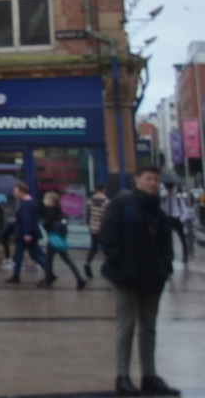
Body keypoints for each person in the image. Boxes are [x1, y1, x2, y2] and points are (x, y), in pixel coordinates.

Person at [100, 166, 179, 397]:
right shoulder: (122, 204)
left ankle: (149, 375)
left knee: (148, 327)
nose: (153, 183)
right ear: (137, 180)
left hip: (152, 277)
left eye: (155, 179)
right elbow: (108, 234)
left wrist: (164, 266)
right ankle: (122, 375)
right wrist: (118, 261)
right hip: (126, 275)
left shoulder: (157, 210)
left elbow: (165, 241)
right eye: (148, 178)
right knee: (126, 326)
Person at [4, 181, 50, 283]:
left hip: (25, 234)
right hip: (28, 233)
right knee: (28, 254)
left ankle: (49, 273)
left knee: (26, 255)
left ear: (22, 192)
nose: (14, 193)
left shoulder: (26, 205)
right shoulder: (28, 203)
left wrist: (27, 234)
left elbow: (27, 219)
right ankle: (16, 276)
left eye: (16, 191)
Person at [40, 191, 86, 290]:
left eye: (45, 199)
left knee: (49, 259)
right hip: (59, 238)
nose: (43, 201)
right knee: (66, 259)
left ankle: (48, 280)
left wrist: (45, 225)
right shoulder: (59, 210)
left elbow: (47, 224)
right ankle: (79, 279)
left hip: (53, 238)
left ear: (50, 200)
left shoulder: (49, 211)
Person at [83, 183, 109, 279]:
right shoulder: (107, 202)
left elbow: (88, 215)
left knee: (93, 248)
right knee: (107, 248)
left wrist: (89, 225)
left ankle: (87, 263)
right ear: (104, 190)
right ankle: (107, 268)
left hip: (93, 228)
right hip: (103, 228)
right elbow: (108, 216)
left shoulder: (90, 201)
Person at [161, 185, 190, 263]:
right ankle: (170, 256)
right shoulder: (165, 198)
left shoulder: (178, 198)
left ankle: (185, 256)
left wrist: (181, 219)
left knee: (182, 238)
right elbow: (163, 209)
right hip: (169, 219)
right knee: (168, 238)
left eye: (170, 188)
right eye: (168, 188)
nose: (169, 190)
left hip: (177, 219)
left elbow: (184, 210)